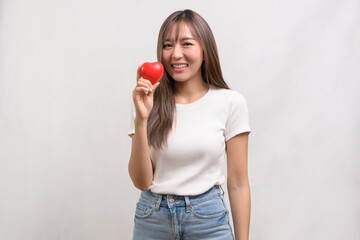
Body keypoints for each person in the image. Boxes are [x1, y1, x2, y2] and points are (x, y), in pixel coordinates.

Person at [128, 9, 251, 240]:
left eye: (186, 44)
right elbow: (141, 181)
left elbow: (238, 183)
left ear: (205, 50)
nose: (176, 54)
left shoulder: (230, 103)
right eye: (167, 45)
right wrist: (141, 119)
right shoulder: (146, 100)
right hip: (152, 219)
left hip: (208, 221)